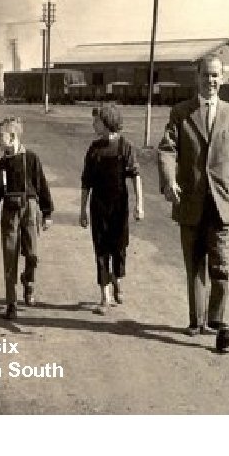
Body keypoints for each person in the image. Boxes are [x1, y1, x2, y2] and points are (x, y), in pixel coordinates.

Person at [157, 54, 229, 353]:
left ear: (222, 79)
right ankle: (197, 320)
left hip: (222, 203)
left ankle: (221, 326)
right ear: (196, 77)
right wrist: (169, 180)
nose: (210, 81)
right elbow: (167, 150)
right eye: (205, 75)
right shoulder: (181, 112)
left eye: (215, 76)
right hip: (190, 202)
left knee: (222, 267)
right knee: (194, 264)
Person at [0, 116, 53, 320]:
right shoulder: (0, 165)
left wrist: (47, 212)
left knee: (32, 255)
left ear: (12, 136)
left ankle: (28, 280)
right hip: (9, 213)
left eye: (0, 137)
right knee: (10, 256)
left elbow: (41, 185)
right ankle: (11, 303)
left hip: (30, 210)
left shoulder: (31, 158)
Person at [80, 105, 144, 314]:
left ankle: (117, 278)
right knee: (100, 250)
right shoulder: (93, 149)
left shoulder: (125, 146)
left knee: (119, 248)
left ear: (107, 122)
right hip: (98, 207)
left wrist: (139, 205)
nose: (93, 124)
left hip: (119, 207)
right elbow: (86, 182)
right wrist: (82, 210)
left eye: (96, 121)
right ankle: (104, 297)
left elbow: (135, 176)